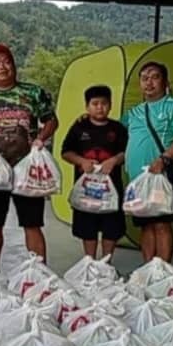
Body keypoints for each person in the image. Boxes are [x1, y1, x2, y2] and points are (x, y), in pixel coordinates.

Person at [0, 43, 58, 271]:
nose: (1, 67)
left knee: (32, 224)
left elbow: (51, 120)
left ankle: (40, 272)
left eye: (6, 62)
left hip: (27, 170)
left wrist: (41, 138)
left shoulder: (33, 93)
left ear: (14, 65)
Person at [122, 61, 173, 262]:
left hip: (164, 175)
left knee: (161, 223)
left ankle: (162, 270)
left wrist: (164, 159)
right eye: (144, 78)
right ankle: (149, 269)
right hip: (139, 178)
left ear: (165, 82)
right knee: (145, 223)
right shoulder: (133, 113)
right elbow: (114, 132)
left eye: (154, 77)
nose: (149, 82)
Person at [61, 85, 127, 259]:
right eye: (95, 103)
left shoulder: (118, 128)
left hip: (111, 189)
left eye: (104, 103)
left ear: (110, 105)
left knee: (111, 228)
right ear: (87, 106)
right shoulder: (79, 127)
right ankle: (89, 261)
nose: (100, 107)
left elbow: (126, 153)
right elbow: (66, 152)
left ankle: (106, 263)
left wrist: (114, 160)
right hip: (86, 190)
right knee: (87, 228)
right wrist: (81, 161)